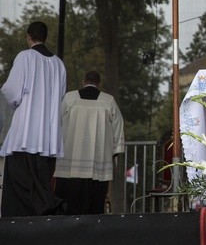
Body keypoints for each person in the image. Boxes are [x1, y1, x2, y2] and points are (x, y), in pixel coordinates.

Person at [0, 21, 67, 217]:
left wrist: (16, 102)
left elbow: (12, 91)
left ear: (28, 37)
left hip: (26, 134)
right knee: (42, 182)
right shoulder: (59, 64)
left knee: (19, 180)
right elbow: (60, 95)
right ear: (45, 37)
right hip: (47, 136)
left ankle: (19, 224)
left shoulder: (25, 57)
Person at [54, 70, 125, 215]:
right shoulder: (108, 101)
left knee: (68, 205)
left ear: (83, 81)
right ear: (99, 84)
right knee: (94, 206)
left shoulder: (69, 98)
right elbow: (118, 127)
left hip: (70, 165)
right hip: (97, 164)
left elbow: (56, 123)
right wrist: (115, 151)